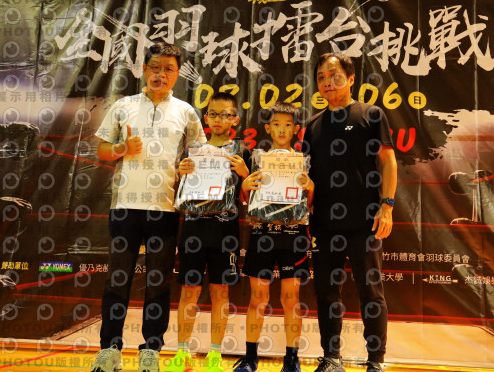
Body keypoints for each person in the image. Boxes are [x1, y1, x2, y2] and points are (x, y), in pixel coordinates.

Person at [91, 42, 206, 372]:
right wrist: (121, 148)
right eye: (155, 68)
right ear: (144, 70)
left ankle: (151, 350)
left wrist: (189, 166)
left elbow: (200, 156)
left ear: (177, 75)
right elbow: (102, 150)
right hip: (125, 206)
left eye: (168, 69)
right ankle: (110, 348)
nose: (161, 75)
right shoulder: (123, 106)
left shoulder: (186, 112)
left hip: (165, 209)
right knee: (118, 280)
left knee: (158, 282)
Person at [302, 53, 398, 372]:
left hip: (365, 221)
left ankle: (376, 360)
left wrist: (386, 206)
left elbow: (388, 162)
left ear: (351, 78)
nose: (327, 82)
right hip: (324, 223)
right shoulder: (312, 125)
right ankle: (332, 357)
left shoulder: (371, 115)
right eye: (321, 77)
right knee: (327, 291)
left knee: (370, 291)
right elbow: (307, 176)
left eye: (334, 75)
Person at [166, 91, 250, 372]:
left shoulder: (241, 151)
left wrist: (245, 174)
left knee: (220, 292)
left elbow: (250, 198)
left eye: (226, 114)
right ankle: (182, 353)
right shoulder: (193, 150)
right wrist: (181, 172)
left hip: (226, 230)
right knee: (189, 291)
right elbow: (180, 191)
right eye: (214, 114)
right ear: (206, 117)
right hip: (193, 227)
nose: (219, 119)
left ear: (235, 119)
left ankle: (215, 353)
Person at [233, 102, 314, 372]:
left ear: (296, 129)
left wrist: (311, 187)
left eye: (288, 125)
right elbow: (248, 202)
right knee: (257, 298)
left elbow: (308, 205)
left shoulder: (302, 162)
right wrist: (245, 185)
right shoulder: (259, 161)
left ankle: (292, 359)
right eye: (276, 124)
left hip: (293, 236)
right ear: (268, 128)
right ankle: (250, 357)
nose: (282, 129)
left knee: (291, 299)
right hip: (262, 235)